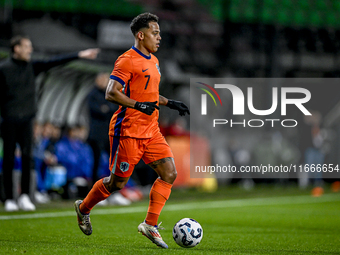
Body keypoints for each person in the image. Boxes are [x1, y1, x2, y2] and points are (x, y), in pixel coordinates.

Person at [74, 13, 190, 249]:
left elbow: (147, 93)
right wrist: (138, 106)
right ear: (141, 35)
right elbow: (111, 92)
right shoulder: (126, 60)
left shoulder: (154, 61)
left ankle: (150, 224)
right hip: (127, 131)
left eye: (159, 33)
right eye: (154, 33)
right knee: (116, 184)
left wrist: (169, 102)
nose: (159, 37)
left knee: (169, 173)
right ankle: (83, 207)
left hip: (151, 129)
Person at [0, 35, 99, 212]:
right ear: (16, 49)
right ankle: (9, 198)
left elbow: (54, 61)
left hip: (27, 120)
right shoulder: (4, 69)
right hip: (9, 120)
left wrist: (79, 55)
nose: (30, 49)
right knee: (8, 159)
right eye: (26, 46)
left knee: (28, 157)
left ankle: (24, 197)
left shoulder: (31, 67)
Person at [87, 72, 118, 182]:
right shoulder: (92, 95)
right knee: (97, 161)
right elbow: (97, 110)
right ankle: (94, 187)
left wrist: (106, 109)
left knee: (114, 160)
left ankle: (112, 186)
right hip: (96, 134)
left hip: (108, 133)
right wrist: (106, 110)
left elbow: (114, 109)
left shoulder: (110, 94)